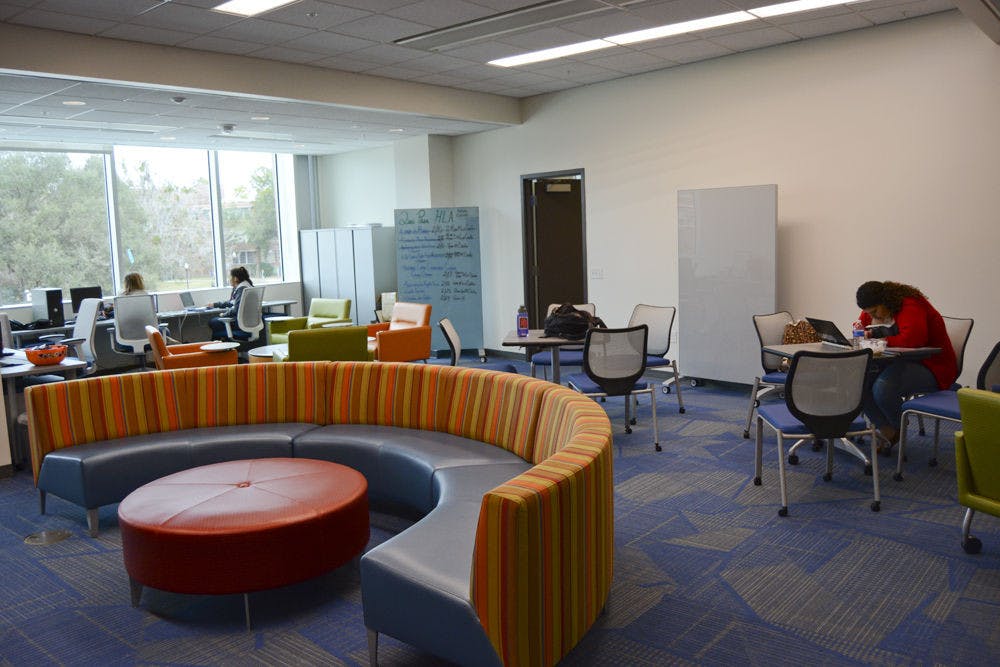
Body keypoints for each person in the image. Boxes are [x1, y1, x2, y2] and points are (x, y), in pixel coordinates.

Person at [855, 280, 956, 454]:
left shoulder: (910, 304)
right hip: (899, 362)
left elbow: (912, 340)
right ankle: (887, 429)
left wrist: (876, 339)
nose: (872, 315)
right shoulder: (875, 309)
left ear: (885, 301)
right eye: (868, 312)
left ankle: (897, 425)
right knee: (858, 383)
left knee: (883, 387)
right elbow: (862, 327)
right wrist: (863, 331)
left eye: (874, 311)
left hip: (933, 366)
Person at [208, 266, 254, 340]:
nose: (229, 280)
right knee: (216, 325)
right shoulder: (247, 287)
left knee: (213, 322)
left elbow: (236, 309)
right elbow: (233, 303)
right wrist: (215, 304)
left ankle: (222, 345)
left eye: (230, 277)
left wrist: (224, 314)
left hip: (240, 322)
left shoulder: (242, 289)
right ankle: (225, 344)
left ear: (235, 278)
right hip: (249, 322)